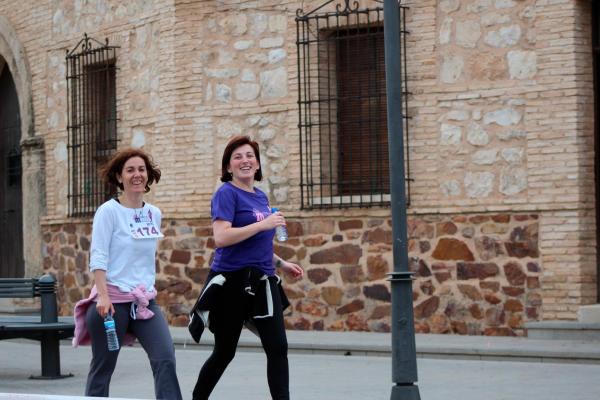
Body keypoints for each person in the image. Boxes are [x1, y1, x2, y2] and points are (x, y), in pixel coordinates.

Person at [192, 135, 304, 400]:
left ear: (257, 164)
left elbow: (257, 243)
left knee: (278, 348)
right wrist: (264, 224)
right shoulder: (226, 194)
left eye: (249, 156)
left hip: (264, 281)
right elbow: (222, 237)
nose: (245, 160)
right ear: (228, 167)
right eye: (238, 157)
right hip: (231, 282)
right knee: (224, 352)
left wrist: (282, 263)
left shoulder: (261, 196)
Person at [73, 148, 182, 400]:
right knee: (103, 367)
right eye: (130, 170)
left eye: (141, 169)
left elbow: (143, 258)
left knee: (165, 357)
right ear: (119, 177)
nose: (137, 175)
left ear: (148, 175)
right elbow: (99, 256)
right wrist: (102, 296)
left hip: (144, 302)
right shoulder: (108, 211)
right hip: (110, 304)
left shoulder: (153, 213)